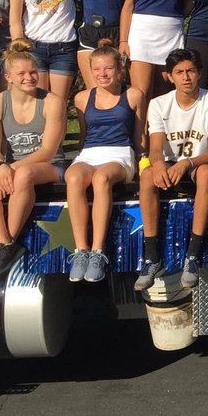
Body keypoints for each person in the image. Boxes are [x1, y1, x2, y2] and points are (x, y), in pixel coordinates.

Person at [134, 48, 208, 291]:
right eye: (180, 72)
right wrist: (158, 165)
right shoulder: (158, 104)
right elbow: (155, 148)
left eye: (191, 71)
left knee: (207, 173)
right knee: (146, 175)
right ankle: (152, 255)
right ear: (169, 76)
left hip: (199, 163)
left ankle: (193, 255)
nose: (186, 77)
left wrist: (186, 163)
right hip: (170, 163)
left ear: (199, 73)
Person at [0, 39, 67, 278]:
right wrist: (0, 165)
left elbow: (48, 150)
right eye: (22, 73)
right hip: (11, 165)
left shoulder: (52, 101)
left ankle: (12, 239)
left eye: (33, 72)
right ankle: (4, 244)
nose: (29, 77)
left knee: (24, 174)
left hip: (48, 165)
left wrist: (9, 168)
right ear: (8, 78)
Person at [66, 41, 145, 283]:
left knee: (101, 179)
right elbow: (83, 135)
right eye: (97, 70)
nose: (103, 74)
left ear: (120, 70)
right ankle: (81, 251)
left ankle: (98, 251)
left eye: (108, 69)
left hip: (120, 153)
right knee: (74, 176)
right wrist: (80, 161)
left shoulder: (133, 94)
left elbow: (140, 135)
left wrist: (143, 163)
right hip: (90, 152)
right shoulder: (81, 98)